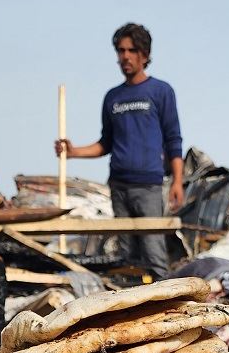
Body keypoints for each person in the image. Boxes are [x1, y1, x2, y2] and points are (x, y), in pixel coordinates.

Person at [55, 23, 183, 278]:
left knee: (154, 252)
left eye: (131, 50)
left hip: (148, 187)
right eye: (121, 51)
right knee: (128, 257)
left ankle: (167, 310)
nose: (125, 56)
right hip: (119, 186)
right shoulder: (112, 98)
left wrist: (178, 181)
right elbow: (106, 144)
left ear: (144, 55)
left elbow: (173, 139)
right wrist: (72, 151)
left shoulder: (161, 92)